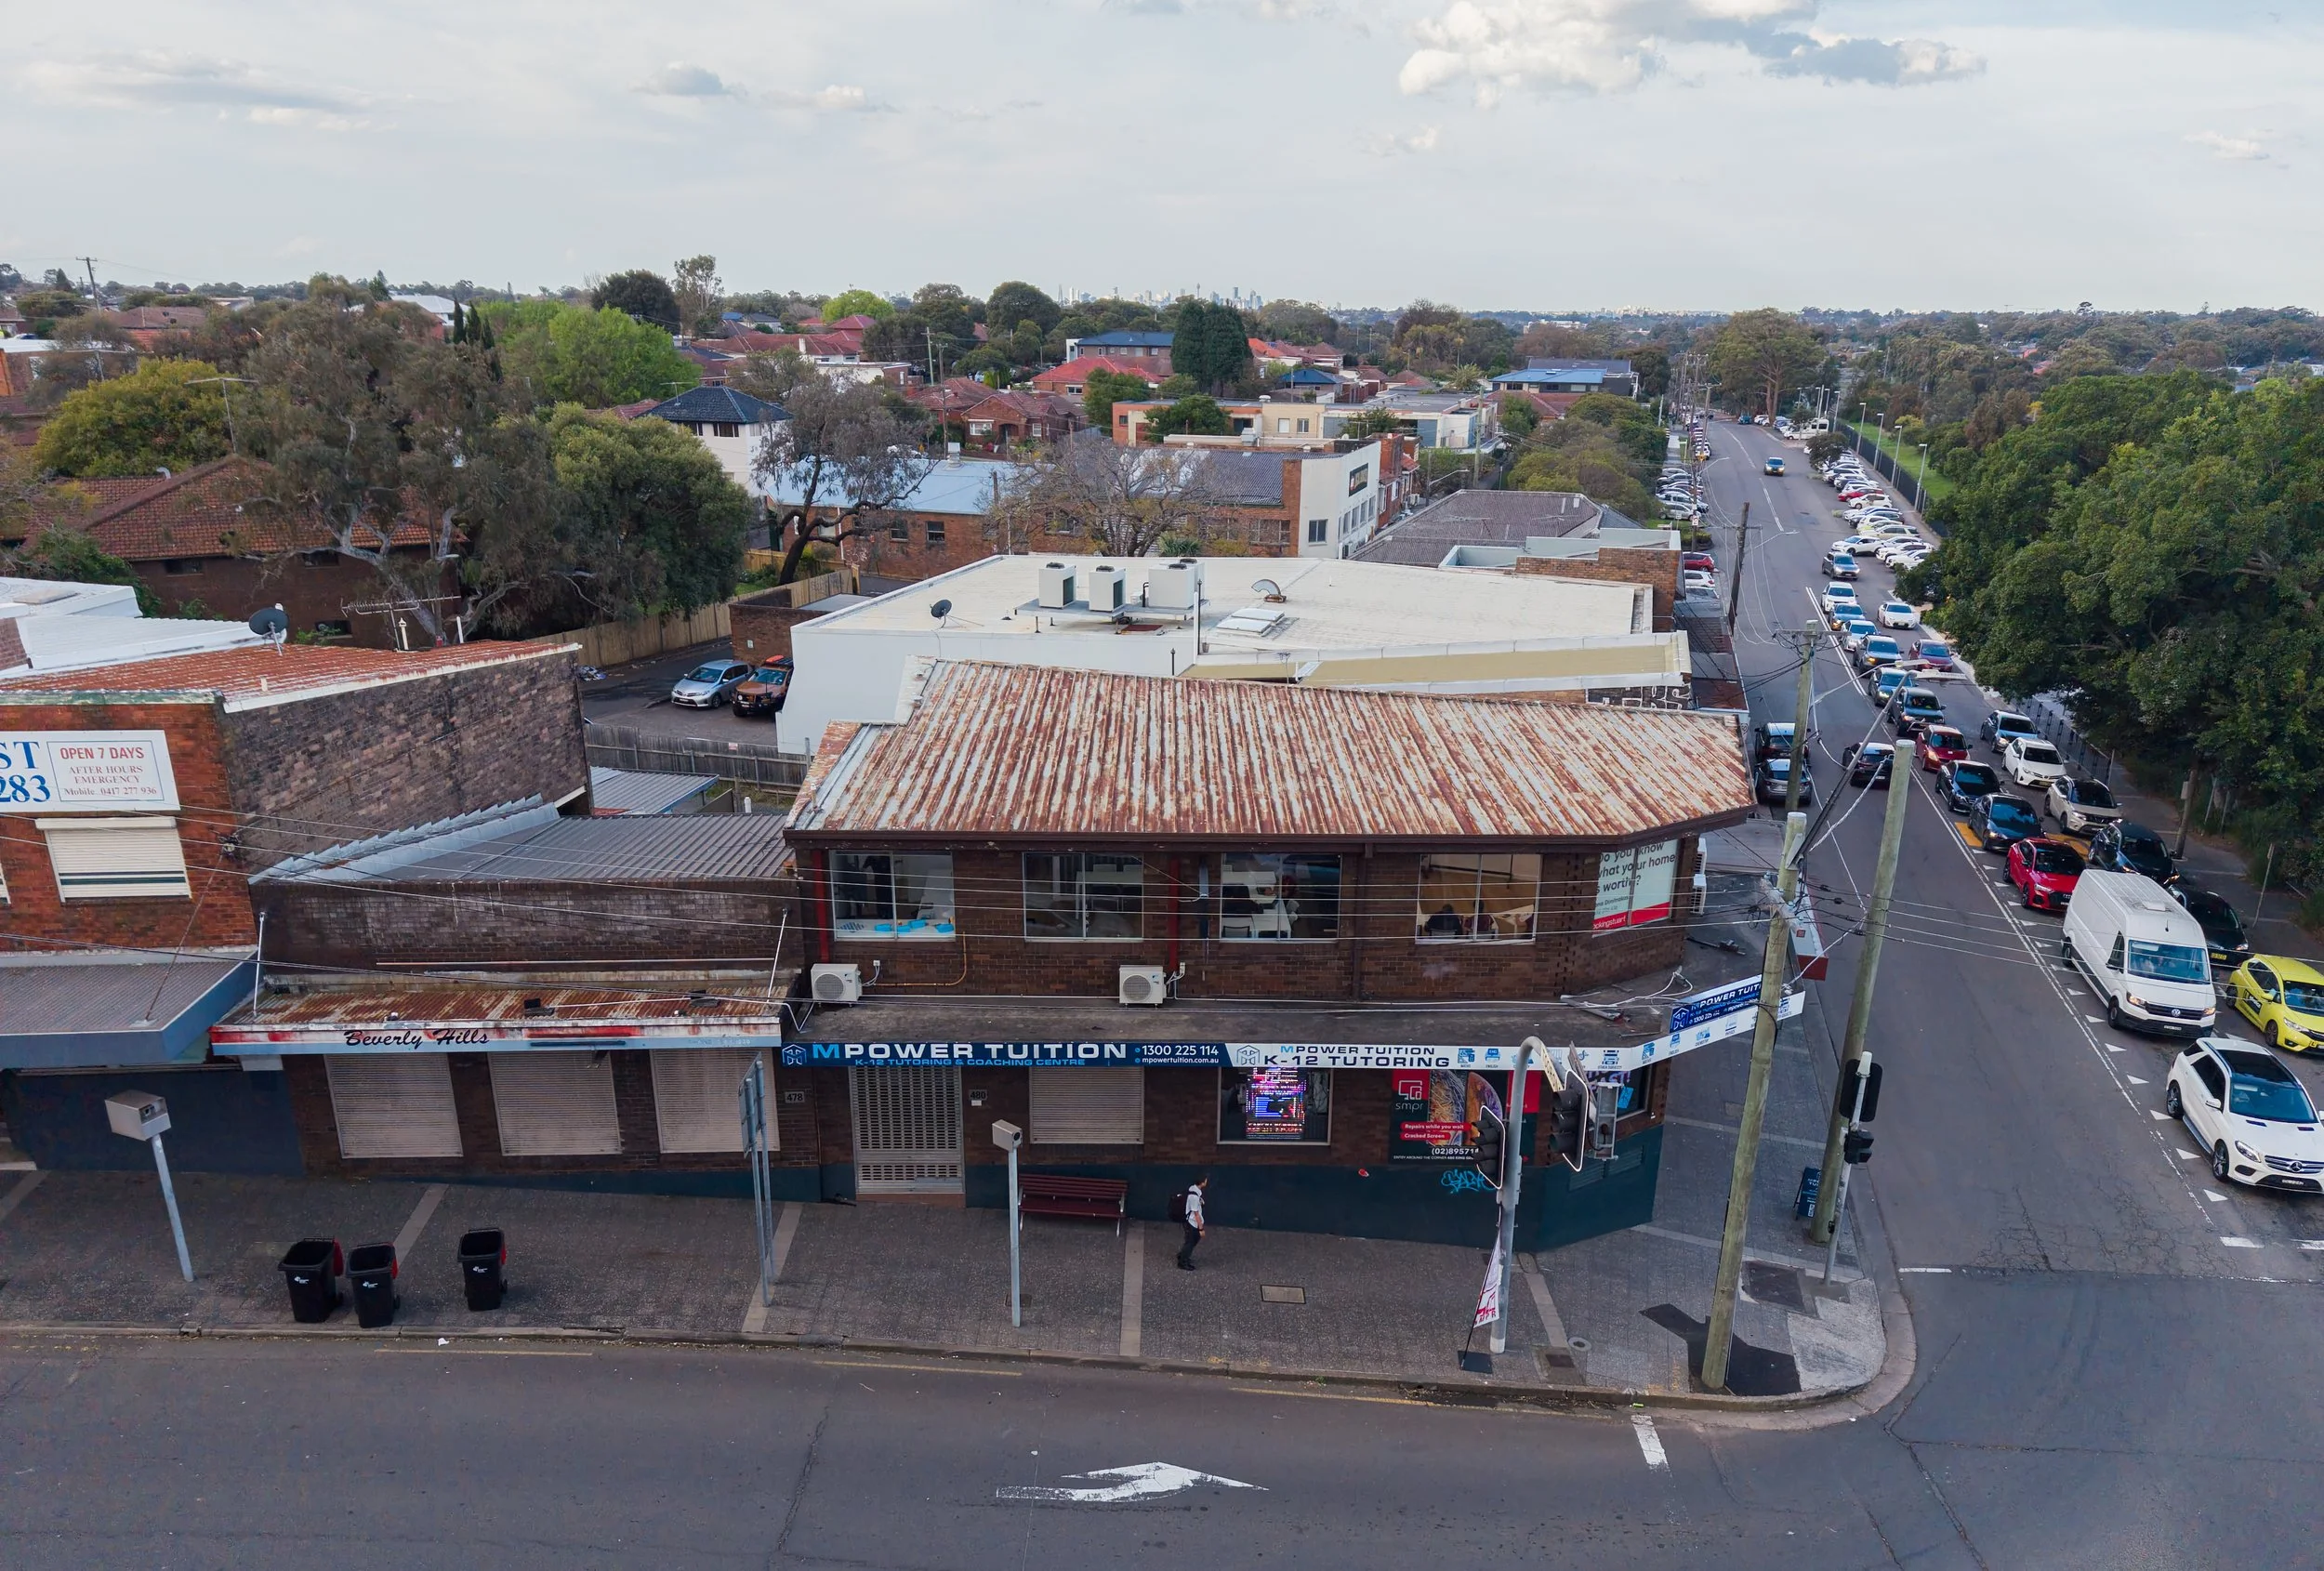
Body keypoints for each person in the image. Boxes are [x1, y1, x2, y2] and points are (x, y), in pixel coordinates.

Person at [1177, 1176, 1208, 1271]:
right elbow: (1196, 1214)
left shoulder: (1193, 1189)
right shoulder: (1194, 1196)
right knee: (1191, 1242)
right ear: (1202, 1182)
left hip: (1189, 1221)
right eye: (1206, 1180)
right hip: (1193, 1223)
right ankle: (1183, 1262)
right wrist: (1201, 1228)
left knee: (1189, 1241)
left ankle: (1183, 1255)